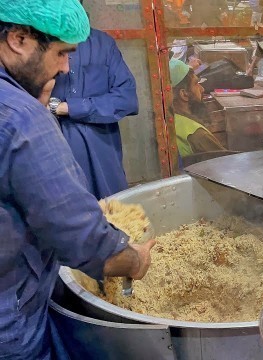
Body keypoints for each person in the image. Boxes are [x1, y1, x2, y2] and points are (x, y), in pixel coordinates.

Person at [0, 1, 156, 359]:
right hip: (10, 319)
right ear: (18, 38)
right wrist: (132, 260)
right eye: (60, 53)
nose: (66, 66)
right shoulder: (21, 118)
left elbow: (125, 98)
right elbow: (80, 236)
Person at [50, 27, 138, 199]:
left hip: (102, 154)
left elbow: (126, 99)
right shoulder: (36, 40)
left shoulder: (102, 43)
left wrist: (66, 108)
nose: (65, 67)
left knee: (114, 213)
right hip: (55, 151)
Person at [169, 58, 224, 157]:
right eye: (196, 84)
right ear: (184, 94)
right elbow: (227, 165)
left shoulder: (169, 120)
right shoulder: (197, 134)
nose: (202, 89)